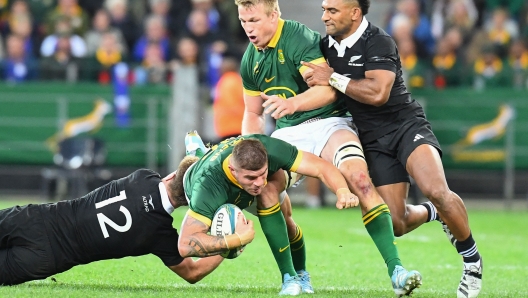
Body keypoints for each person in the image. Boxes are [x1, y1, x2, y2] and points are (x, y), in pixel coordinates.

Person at [272, 1, 483, 297]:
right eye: (323, 9)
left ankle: (472, 262)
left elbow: (378, 93)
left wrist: (332, 77)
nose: (324, 16)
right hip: (372, 140)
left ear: (355, 13)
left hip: (405, 126)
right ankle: (434, 212)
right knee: (396, 223)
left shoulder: (379, 41)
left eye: (332, 11)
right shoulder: (324, 47)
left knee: (436, 188)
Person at [236, 0, 421, 296]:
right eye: (244, 21)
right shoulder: (250, 60)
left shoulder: (299, 38)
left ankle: (397, 271)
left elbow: (326, 88)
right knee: (268, 190)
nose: (248, 28)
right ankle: (292, 277)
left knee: (359, 179)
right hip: (289, 134)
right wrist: (251, 145)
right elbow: (253, 112)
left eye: (254, 20)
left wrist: (292, 104)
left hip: (330, 122)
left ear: (274, 15)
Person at [178, 133, 359, 295]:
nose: (259, 182)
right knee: (204, 164)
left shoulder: (269, 148)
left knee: (284, 215)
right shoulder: (206, 187)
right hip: (209, 185)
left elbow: (320, 167)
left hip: (241, 187)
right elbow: (185, 245)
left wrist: (342, 190)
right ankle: (197, 154)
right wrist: (237, 239)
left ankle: (300, 275)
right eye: (251, 177)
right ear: (234, 170)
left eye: (262, 174)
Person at [0, 167, 229, 286]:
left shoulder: (143, 177)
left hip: (36, 219)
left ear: (169, 177)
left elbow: (184, 175)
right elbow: (193, 272)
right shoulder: (161, 235)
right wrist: (228, 242)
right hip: (48, 257)